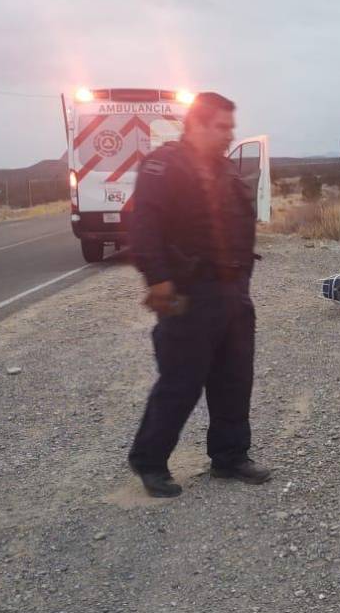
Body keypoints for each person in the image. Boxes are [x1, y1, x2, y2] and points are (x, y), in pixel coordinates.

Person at [127, 92, 271, 498]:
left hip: (233, 292)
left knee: (234, 378)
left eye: (231, 127)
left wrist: (241, 285)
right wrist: (157, 280)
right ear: (196, 125)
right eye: (221, 127)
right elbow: (144, 228)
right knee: (181, 381)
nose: (229, 135)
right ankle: (150, 461)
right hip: (189, 293)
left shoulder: (222, 170)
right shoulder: (163, 166)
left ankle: (230, 457)